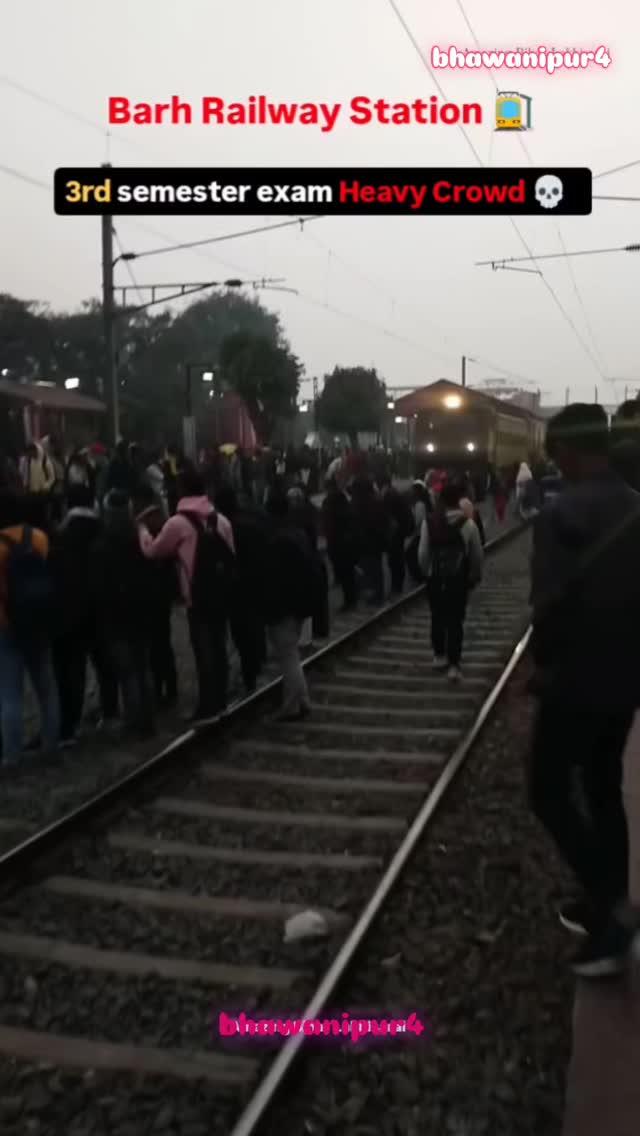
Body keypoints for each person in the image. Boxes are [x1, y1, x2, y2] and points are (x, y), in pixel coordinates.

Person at [529, 403, 640, 977]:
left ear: (569, 452)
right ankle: (606, 898)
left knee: (546, 789)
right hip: (626, 682)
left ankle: (614, 909)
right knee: (602, 785)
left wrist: (542, 667)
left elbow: (547, 609)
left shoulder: (559, 515)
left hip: (574, 681)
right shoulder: (635, 507)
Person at [138, 470, 235, 721]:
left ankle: (207, 705)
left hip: (197, 595)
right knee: (219, 646)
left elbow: (154, 552)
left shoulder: (177, 523)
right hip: (222, 593)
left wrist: (143, 533)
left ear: (181, 491)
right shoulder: (221, 521)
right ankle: (221, 699)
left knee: (204, 651)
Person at [50, 485, 118, 744]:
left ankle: (71, 723)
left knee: (73, 669)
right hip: (101, 608)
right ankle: (110, 712)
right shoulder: (104, 528)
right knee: (105, 663)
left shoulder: (62, 535)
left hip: (72, 610)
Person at [0, 489, 59, 764]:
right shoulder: (39, 538)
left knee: (10, 694)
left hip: (6, 626)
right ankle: (51, 744)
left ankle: (12, 754)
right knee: (46, 688)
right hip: (39, 622)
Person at [90, 490, 155, 736]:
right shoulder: (141, 539)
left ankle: (133, 722)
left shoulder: (101, 545)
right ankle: (147, 721)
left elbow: (98, 586)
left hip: (116, 617)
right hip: (141, 611)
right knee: (143, 667)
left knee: (127, 672)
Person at [418, 482, 483, 681]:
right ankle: (454, 665)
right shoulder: (468, 524)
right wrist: (474, 575)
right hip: (458, 580)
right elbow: (477, 555)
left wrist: (428, 572)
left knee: (437, 616)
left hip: (435, 579)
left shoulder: (429, 522)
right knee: (455, 621)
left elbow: (423, 554)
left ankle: (439, 656)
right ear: (458, 501)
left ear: (441, 501)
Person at [263, 486, 315, 721]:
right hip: (300, 602)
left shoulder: (278, 539)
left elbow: (277, 579)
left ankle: (292, 706)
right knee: (291, 653)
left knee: (287, 655)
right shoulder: (297, 533)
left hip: (286, 605)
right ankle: (302, 699)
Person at [214, 485, 268, 696]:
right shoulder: (252, 522)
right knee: (252, 629)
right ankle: (253, 671)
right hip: (254, 584)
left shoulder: (224, 528)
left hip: (236, 588)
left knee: (241, 634)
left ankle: (248, 675)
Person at [134, 488, 179, 708]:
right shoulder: (163, 526)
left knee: (156, 646)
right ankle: (169, 687)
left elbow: (149, 553)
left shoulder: (146, 532)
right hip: (160, 596)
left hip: (151, 596)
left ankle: (164, 688)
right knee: (162, 644)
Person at [322, 474, 358, 611]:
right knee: (347, 572)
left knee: (344, 572)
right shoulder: (342, 499)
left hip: (336, 541)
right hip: (344, 540)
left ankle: (350, 600)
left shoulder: (330, 501)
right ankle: (352, 598)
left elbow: (329, 522)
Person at [377, 474, 414, 595]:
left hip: (396, 532)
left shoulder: (389, 495)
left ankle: (396, 587)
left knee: (395, 559)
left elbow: (389, 516)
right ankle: (397, 586)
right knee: (396, 558)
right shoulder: (393, 493)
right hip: (399, 531)